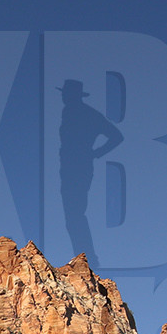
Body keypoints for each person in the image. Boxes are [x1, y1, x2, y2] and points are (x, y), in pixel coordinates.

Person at [57, 79, 123, 263]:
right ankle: (83, 255)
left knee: (75, 213)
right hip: (69, 166)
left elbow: (117, 136)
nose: (63, 97)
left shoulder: (87, 114)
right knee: (72, 214)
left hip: (78, 166)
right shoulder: (68, 112)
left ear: (73, 95)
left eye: (66, 93)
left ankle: (87, 257)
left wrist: (95, 153)